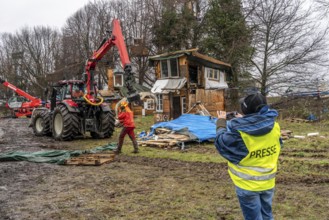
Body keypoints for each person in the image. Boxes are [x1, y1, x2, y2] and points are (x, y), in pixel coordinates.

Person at [214, 92, 282, 220]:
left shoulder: (240, 134)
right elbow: (276, 144)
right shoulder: (274, 126)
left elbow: (221, 142)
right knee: (267, 215)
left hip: (247, 185)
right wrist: (246, 121)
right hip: (268, 182)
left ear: (245, 109)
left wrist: (221, 122)